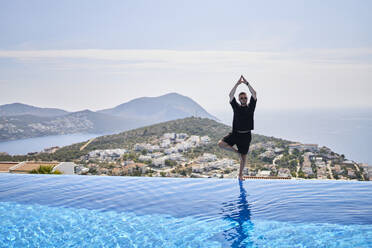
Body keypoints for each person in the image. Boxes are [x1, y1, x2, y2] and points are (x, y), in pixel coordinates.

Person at [218, 75, 257, 181]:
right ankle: (237, 152)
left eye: (245, 97)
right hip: (235, 133)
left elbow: (254, 93)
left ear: (247, 99)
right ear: (239, 99)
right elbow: (230, 95)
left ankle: (240, 175)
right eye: (242, 98)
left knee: (244, 158)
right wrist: (237, 84)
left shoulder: (251, 106)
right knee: (221, 144)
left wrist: (247, 83)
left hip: (246, 135)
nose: (244, 99)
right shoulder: (236, 106)